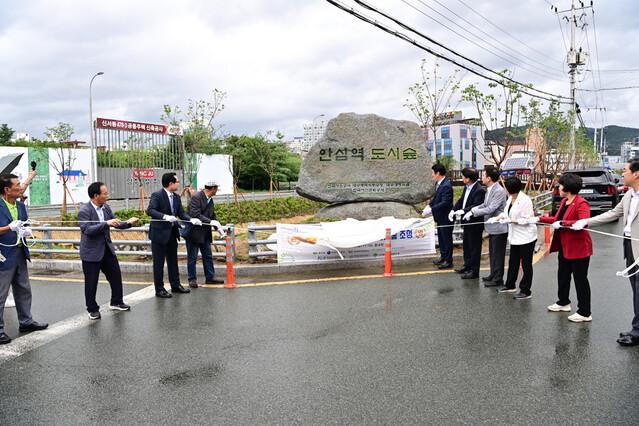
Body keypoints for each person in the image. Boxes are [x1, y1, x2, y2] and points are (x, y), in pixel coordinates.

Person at [572, 159, 639, 345]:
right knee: (636, 289)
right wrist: (586, 222)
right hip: (630, 247)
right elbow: (612, 214)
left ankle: (636, 332)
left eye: (625, 171)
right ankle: (637, 328)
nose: (622, 175)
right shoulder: (628, 196)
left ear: (636, 174)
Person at [529, 173, 593, 322]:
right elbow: (556, 219)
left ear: (568, 186)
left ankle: (585, 311)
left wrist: (565, 223)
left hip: (579, 247)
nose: (559, 187)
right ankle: (563, 302)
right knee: (563, 275)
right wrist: (539, 219)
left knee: (580, 279)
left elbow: (584, 221)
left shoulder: (581, 203)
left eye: (561, 184)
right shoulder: (564, 201)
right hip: (565, 245)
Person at [78, 182, 140, 320]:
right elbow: (87, 230)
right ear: (96, 195)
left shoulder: (106, 208)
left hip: (106, 249)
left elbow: (116, 223)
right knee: (91, 282)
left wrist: (128, 223)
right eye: (105, 193)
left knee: (115, 276)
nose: (107, 196)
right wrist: (106, 224)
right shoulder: (84, 211)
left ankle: (116, 301)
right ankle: (92, 309)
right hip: (91, 253)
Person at [0, 173, 48, 345]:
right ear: (7, 189)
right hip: (3, 255)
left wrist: (26, 230)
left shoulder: (20, 206)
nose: (21, 187)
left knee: (23, 289)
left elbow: (24, 224)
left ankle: (26, 322)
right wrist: (8, 228)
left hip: (20, 251)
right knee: (1, 294)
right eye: (18, 184)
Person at [147, 172, 202, 298]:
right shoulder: (157, 195)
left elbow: (181, 214)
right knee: (159, 263)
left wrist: (191, 219)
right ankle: (159, 289)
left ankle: (175, 285)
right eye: (177, 181)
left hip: (172, 233)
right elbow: (150, 210)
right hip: (159, 234)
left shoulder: (176, 197)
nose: (179, 184)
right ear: (170, 183)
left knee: (173, 261)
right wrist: (165, 217)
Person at [490, 177, 537, 299]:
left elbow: (527, 220)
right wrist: (497, 218)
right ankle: (510, 285)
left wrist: (511, 220)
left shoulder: (525, 200)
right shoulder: (510, 198)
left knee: (526, 265)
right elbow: (506, 213)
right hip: (515, 237)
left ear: (510, 188)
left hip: (526, 237)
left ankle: (526, 290)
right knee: (513, 261)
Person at [463, 166, 508, 287]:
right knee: (492, 253)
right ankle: (493, 274)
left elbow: (491, 208)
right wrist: (473, 209)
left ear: (489, 178)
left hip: (499, 228)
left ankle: (498, 278)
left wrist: (473, 212)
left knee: (498, 255)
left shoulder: (498, 191)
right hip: (492, 228)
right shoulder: (490, 189)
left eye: (483, 175)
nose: (481, 177)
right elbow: (485, 204)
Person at [185, 180, 226, 288]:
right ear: (212, 189)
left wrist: (218, 227)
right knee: (192, 256)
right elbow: (195, 213)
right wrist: (210, 222)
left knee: (207, 255)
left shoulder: (210, 200)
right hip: (194, 232)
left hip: (205, 233)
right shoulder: (196, 197)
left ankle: (210, 277)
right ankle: (192, 279)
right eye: (216, 188)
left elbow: (212, 215)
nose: (217, 190)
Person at [450, 167, 485, 279]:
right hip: (466, 222)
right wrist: (454, 210)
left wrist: (464, 211)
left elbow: (476, 205)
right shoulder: (467, 187)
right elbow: (461, 200)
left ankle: (474, 271)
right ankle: (467, 265)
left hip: (474, 223)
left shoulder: (479, 190)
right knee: (467, 245)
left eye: (463, 176)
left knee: (474, 247)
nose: (462, 178)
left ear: (468, 178)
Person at [423, 162, 454, 269]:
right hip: (440, 217)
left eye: (433, 173)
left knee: (446, 239)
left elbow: (445, 203)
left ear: (438, 173)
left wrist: (431, 209)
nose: (432, 175)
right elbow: (436, 198)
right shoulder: (439, 184)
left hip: (446, 217)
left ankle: (449, 260)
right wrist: (429, 205)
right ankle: (443, 256)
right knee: (441, 238)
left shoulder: (446, 186)